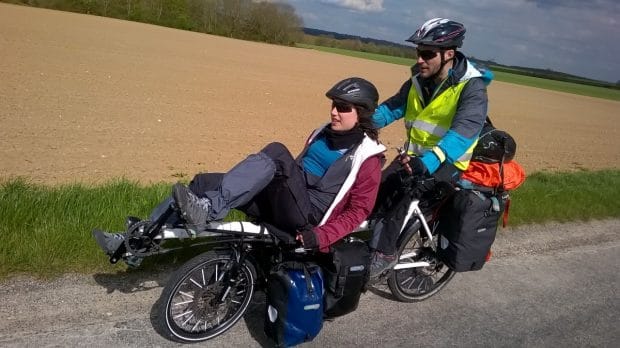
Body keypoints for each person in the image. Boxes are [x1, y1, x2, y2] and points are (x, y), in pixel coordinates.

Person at [94, 77, 386, 255]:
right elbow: (292, 177)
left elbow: (358, 212)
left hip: (307, 217)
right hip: (288, 200)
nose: (334, 111)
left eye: (343, 107)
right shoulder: (323, 131)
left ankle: (208, 209)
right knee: (201, 183)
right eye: (333, 104)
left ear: (362, 114)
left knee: (276, 152)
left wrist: (319, 237)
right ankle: (136, 242)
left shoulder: (368, 156)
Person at [368, 18, 492, 277]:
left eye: (427, 54)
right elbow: (393, 108)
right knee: (375, 192)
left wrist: (430, 161)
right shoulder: (418, 80)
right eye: (418, 52)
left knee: (405, 200)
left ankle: (386, 254)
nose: (420, 59)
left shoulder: (472, 87)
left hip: (448, 163)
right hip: (413, 157)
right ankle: (368, 240)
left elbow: (463, 133)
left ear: (449, 54)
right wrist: (359, 120)